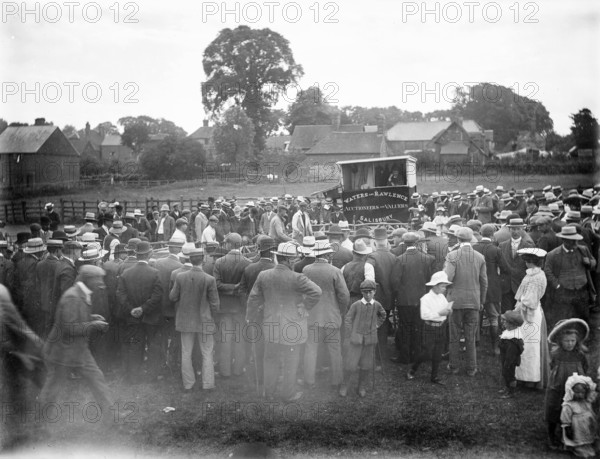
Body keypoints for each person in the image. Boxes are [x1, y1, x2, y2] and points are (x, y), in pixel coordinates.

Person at [247, 242, 322, 402]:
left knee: (270, 359)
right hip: (292, 326)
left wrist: (250, 317)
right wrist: (305, 306)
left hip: (271, 324)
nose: (295, 261)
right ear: (287, 260)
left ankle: (269, 392)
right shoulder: (297, 278)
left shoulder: (264, 275)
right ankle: (288, 394)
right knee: (291, 361)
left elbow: (253, 299)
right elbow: (317, 291)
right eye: (293, 259)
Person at [40, 266, 115, 425]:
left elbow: (74, 320)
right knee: (54, 386)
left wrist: (91, 317)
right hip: (62, 352)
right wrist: (94, 325)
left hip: (76, 349)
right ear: (87, 280)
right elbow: (68, 328)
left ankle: (111, 415)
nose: (101, 283)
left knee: (96, 378)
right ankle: (40, 420)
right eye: (97, 279)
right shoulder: (73, 297)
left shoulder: (79, 294)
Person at [169, 247, 220, 392]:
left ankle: (188, 383)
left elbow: (172, 297)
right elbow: (215, 304)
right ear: (203, 260)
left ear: (189, 260)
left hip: (185, 321)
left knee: (186, 352)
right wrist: (214, 319)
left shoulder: (180, 277)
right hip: (205, 321)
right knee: (207, 352)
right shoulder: (209, 279)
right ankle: (208, 384)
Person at [302, 240, 350, 390]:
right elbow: (344, 295)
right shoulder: (334, 271)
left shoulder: (306, 270)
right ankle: (336, 380)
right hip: (331, 315)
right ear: (327, 254)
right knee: (335, 349)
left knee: (310, 348)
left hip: (312, 316)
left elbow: (303, 292)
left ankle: (309, 380)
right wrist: (341, 310)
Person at [116, 241, 163, 384]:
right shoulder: (155, 273)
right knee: (153, 346)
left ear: (136, 255)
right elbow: (157, 295)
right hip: (151, 317)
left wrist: (132, 309)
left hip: (132, 317)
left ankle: (133, 377)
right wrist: (143, 309)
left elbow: (120, 295)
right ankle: (152, 376)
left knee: (135, 346)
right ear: (149, 254)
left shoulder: (126, 273)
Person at [444, 227, 488, 377]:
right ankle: (471, 368)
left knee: (454, 336)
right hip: (474, 301)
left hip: (455, 301)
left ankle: (454, 366)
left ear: (458, 239)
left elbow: (447, 278)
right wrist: (481, 301)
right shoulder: (479, 257)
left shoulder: (452, 255)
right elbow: (484, 282)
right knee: (471, 336)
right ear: (471, 239)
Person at [545, 319, 590, 450]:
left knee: (574, 407)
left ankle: (573, 434)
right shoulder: (556, 353)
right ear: (559, 341)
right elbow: (551, 365)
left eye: (573, 340)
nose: (570, 343)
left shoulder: (580, 354)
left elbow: (585, 367)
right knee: (554, 407)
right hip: (558, 385)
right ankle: (551, 435)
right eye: (566, 341)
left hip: (575, 386)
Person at [391, 232, 434, 365]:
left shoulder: (400, 259)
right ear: (417, 243)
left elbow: (394, 281)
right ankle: (417, 354)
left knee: (405, 329)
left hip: (404, 300)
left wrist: (398, 294)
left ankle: (405, 356)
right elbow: (430, 280)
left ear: (404, 243)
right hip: (422, 299)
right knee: (418, 327)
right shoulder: (427, 259)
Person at [340, 279, 386, 398]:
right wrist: (350, 333)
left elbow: (383, 315)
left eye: (370, 292)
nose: (368, 294)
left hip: (370, 340)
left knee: (366, 365)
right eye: (365, 292)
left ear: (374, 292)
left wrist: (376, 325)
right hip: (356, 340)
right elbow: (348, 319)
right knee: (350, 364)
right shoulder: (356, 305)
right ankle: (344, 385)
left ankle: (361, 386)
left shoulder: (377, 305)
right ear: (362, 292)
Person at [213, 233, 251, 377]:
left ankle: (225, 370)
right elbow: (246, 288)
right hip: (240, 307)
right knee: (240, 339)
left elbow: (216, 284)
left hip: (225, 307)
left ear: (228, 244)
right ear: (240, 245)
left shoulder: (219, 262)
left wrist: (231, 287)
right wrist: (236, 288)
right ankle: (238, 369)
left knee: (225, 340)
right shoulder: (247, 262)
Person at [544, 226, 597, 328]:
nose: (576, 244)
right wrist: (557, 285)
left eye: (576, 241)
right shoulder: (553, 254)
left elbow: (594, 261)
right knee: (564, 319)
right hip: (564, 292)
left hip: (581, 291)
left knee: (583, 318)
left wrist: (589, 263)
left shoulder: (583, 250)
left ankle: (582, 339)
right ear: (564, 240)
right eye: (572, 241)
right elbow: (547, 271)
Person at [513, 248, 550, 389]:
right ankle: (522, 376)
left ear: (531, 262)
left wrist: (519, 307)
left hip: (531, 314)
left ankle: (531, 378)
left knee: (530, 346)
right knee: (524, 344)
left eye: (527, 261)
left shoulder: (537, 276)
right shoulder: (531, 275)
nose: (526, 264)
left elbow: (530, 300)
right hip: (525, 311)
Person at [407, 271, 453, 386]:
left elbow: (444, 309)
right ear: (435, 285)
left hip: (440, 327)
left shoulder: (442, 297)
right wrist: (440, 313)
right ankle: (413, 369)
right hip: (429, 328)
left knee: (438, 353)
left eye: (445, 286)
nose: (444, 289)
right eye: (443, 286)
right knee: (427, 352)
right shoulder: (426, 298)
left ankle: (434, 376)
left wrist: (448, 311)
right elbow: (424, 315)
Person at [473, 224, 503, 355]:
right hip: (492, 287)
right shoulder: (495, 249)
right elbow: (505, 268)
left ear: (480, 233)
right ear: (492, 235)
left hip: (475, 286)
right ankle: (495, 347)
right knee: (494, 317)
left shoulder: (474, 248)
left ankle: (475, 344)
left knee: (475, 317)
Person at [560, 374, 599, 458]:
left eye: (582, 393)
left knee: (589, 439)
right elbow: (565, 417)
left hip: (587, 425)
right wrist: (567, 427)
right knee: (579, 440)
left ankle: (588, 446)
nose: (580, 395)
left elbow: (594, 394)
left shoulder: (586, 401)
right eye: (577, 392)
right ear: (571, 391)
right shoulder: (569, 405)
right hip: (576, 428)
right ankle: (578, 448)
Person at [497, 310, 525, 399]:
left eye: (505, 322)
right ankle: (507, 387)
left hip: (510, 360)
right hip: (505, 358)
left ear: (512, 325)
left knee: (510, 375)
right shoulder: (508, 333)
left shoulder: (513, 340)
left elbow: (511, 353)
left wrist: (508, 363)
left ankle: (511, 391)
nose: (503, 323)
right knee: (505, 373)